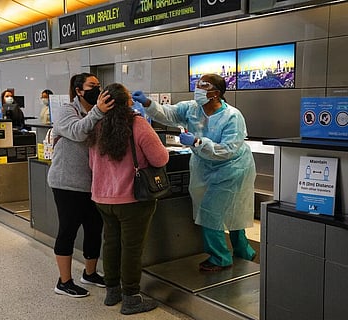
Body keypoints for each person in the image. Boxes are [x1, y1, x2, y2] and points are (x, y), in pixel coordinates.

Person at [132, 73, 256, 272]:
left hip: (232, 169)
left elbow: (228, 150)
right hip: (205, 167)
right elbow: (168, 114)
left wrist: (198, 142)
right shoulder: (192, 108)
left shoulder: (232, 116)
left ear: (215, 93)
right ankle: (243, 250)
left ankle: (220, 257)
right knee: (227, 210)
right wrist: (148, 103)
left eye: (203, 87)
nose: (198, 90)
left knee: (213, 211)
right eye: (197, 85)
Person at [87, 83, 169, 315]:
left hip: (102, 198)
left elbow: (92, 164)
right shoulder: (138, 124)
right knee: (132, 248)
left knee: (110, 243)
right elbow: (161, 158)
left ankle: (112, 291)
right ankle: (131, 297)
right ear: (128, 102)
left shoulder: (96, 126)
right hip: (133, 199)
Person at [47, 73, 114, 298]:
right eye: (92, 86)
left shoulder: (100, 113)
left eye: (99, 85)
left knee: (94, 229)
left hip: (92, 184)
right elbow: (77, 131)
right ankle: (64, 281)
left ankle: (90, 273)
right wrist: (99, 112)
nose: (97, 89)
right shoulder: (68, 110)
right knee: (68, 230)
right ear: (78, 90)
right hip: (66, 183)